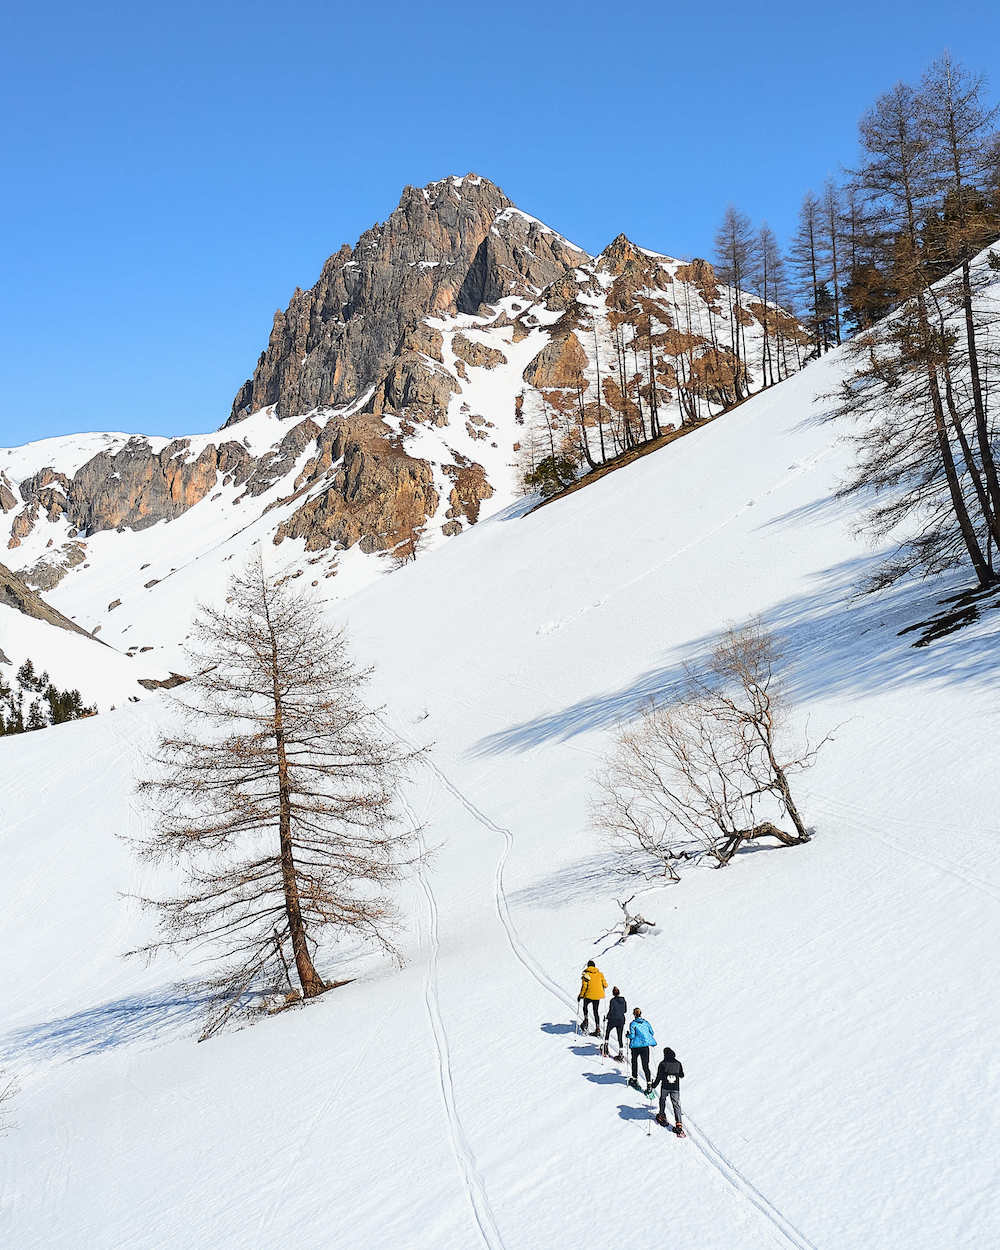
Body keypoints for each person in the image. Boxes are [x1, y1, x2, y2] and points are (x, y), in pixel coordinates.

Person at [652, 1047, 686, 1135]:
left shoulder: (662, 1063)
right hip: (675, 1087)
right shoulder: (678, 1063)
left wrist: (653, 1085)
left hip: (665, 1087)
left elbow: (659, 1077)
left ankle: (662, 1115)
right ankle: (679, 1125)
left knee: (662, 1099)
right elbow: (682, 1075)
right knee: (676, 1104)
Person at [627, 1007, 656, 1090]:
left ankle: (634, 1079)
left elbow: (632, 1036)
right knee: (645, 1065)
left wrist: (627, 1035)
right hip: (645, 1047)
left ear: (634, 1014)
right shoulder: (646, 1023)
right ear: (641, 1013)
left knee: (634, 1062)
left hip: (636, 1046)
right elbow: (652, 1032)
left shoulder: (633, 1024)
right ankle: (649, 1083)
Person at [577, 960, 607, 1035]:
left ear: (588, 966)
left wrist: (580, 995)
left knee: (585, 1007)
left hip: (588, 995)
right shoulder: (600, 974)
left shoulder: (586, 974)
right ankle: (597, 1028)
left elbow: (584, 986)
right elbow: (605, 985)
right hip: (597, 996)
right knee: (595, 1011)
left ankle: (586, 1020)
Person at [602, 986, 627, 1059]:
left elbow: (611, 1010)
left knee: (607, 1032)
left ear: (613, 993)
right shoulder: (623, 1000)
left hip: (613, 1020)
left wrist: (607, 1017)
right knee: (620, 1036)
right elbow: (625, 1010)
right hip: (621, 1020)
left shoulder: (612, 1000)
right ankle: (621, 1053)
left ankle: (606, 1047)